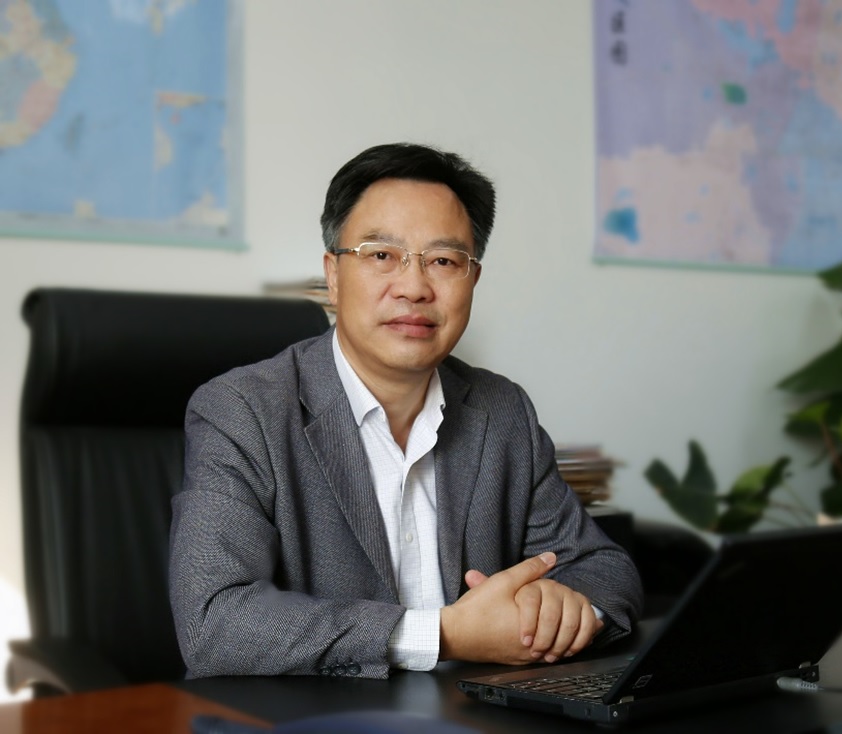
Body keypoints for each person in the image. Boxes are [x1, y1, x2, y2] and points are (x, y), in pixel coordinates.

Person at [169, 143, 642, 680]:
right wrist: (441, 635)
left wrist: (560, 609)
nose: (414, 288)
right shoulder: (242, 411)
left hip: (472, 714)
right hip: (315, 716)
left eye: (443, 261)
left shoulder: (501, 410)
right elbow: (215, 621)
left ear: (473, 280)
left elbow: (602, 568)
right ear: (333, 275)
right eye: (381, 255)